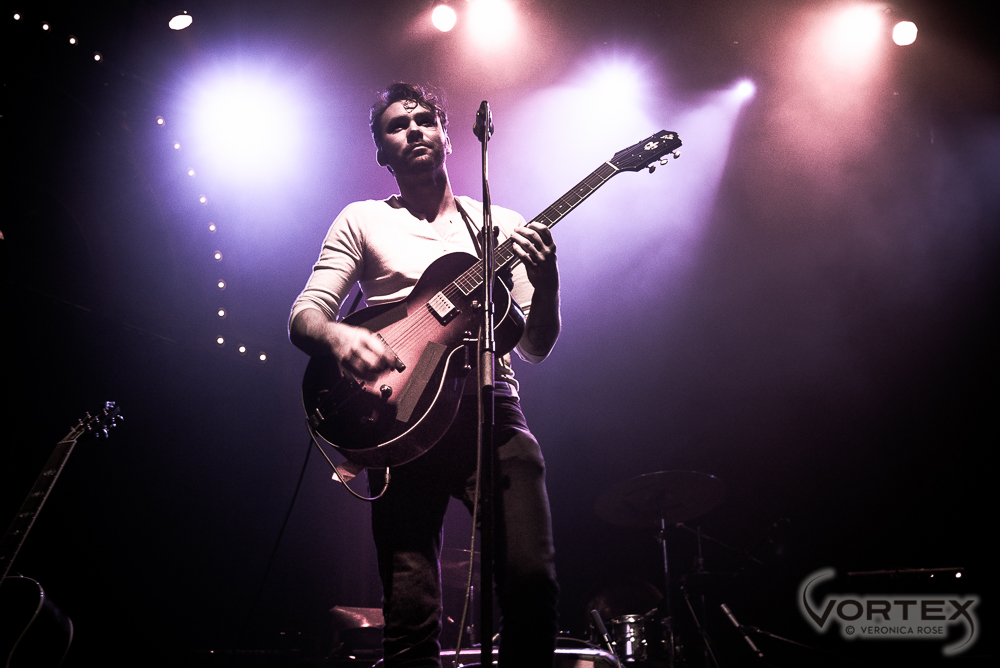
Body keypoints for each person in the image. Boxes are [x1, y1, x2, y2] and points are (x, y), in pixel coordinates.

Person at [288, 83, 560, 668]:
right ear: (380, 152)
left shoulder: (501, 225)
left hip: (492, 407)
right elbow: (304, 315)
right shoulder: (363, 219)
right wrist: (339, 337)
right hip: (400, 417)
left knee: (532, 585)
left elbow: (535, 347)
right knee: (410, 617)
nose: (413, 129)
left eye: (424, 120)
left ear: (446, 137)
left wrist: (549, 283)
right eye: (396, 125)